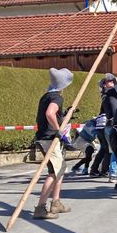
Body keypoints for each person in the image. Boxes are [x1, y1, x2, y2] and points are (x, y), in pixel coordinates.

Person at [32, 68, 75, 220]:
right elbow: (49, 114)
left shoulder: (46, 96)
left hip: (45, 137)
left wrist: (65, 116)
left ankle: (56, 203)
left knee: (59, 169)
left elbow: (52, 115)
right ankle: (40, 208)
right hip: (49, 139)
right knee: (54, 172)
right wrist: (59, 131)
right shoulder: (57, 97)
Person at [90, 73, 117, 179]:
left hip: (103, 124)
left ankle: (97, 169)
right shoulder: (109, 94)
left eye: (112, 81)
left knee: (105, 149)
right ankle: (104, 170)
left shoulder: (106, 94)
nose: (111, 83)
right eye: (108, 82)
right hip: (105, 124)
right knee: (109, 149)